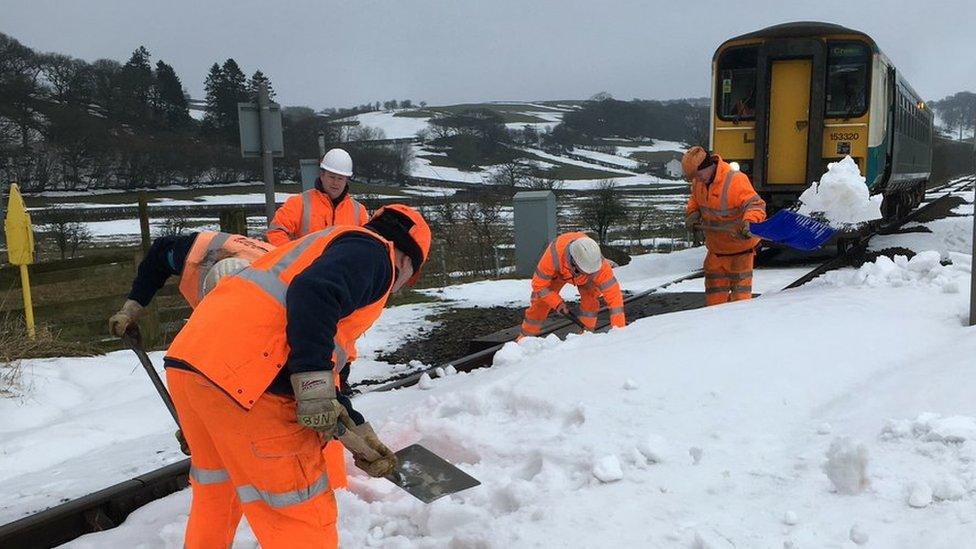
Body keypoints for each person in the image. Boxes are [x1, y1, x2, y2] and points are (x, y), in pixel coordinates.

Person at [163, 204, 431, 549]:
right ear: (408, 262)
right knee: (300, 515)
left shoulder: (324, 245)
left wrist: (352, 420)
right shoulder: (375, 254)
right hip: (248, 382)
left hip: (194, 364)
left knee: (216, 492)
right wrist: (313, 386)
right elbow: (314, 294)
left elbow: (311, 339)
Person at [108, 231, 275, 337]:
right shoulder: (190, 252)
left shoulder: (284, 286)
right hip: (203, 248)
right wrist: (130, 309)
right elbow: (157, 257)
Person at [683, 146, 767, 306]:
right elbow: (695, 199)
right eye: (694, 177)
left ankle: (738, 330)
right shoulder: (698, 181)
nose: (698, 180)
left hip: (740, 252)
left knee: (740, 303)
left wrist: (750, 223)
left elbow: (756, 205)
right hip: (716, 252)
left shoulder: (735, 180)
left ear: (709, 166)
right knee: (714, 303)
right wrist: (693, 213)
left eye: (699, 175)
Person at [520, 232, 625, 338]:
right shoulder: (553, 257)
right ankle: (524, 339)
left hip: (583, 275)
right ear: (573, 264)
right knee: (540, 304)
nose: (588, 273)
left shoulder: (599, 266)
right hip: (558, 274)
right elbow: (539, 285)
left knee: (591, 299)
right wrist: (557, 303)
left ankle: (586, 336)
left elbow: (615, 299)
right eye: (584, 271)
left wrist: (619, 332)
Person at [266, 148, 368, 246]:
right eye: (332, 177)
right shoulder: (299, 203)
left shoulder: (359, 212)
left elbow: (369, 244)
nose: (335, 183)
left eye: (340, 178)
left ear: (346, 179)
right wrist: (293, 258)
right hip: (307, 263)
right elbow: (276, 232)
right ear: (322, 175)